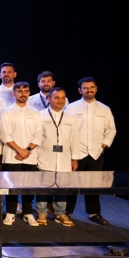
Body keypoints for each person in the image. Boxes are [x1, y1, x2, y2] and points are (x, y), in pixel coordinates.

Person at [64, 77, 117, 225]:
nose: (89, 90)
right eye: (86, 88)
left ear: (96, 89)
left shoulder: (104, 109)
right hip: (76, 152)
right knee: (71, 185)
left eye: (92, 87)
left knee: (93, 185)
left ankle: (94, 213)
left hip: (96, 153)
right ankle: (67, 212)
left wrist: (103, 146)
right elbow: (66, 131)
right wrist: (70, 152)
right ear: (80, 90)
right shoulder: (71, 108)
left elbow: (111, 130)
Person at [0, 82, 43, 226]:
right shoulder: (6, 111)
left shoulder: (36, 113)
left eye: (26, 91)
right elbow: (5, 135)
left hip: (30, 157)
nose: (23, 93)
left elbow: (38, 135)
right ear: (14, 93)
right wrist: (20, 150)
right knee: (11, 187)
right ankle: (10, 213)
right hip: (12, 156)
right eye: (19, 91)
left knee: (29, 186)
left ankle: (28, 213)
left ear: (29, 93)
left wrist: (27, 151)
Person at [36, 87, 79, 227]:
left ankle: (60, 212)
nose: (60, 101)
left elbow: (75, 139)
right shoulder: (40, 116)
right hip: (45, 157)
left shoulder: (71, 117)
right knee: (43, 187)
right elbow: (36, 138)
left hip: (64, 159)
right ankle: (41, 211)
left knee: (62, 187)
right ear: (49, 99)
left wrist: (75, 158)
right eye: (56, 97)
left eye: (62, 98)